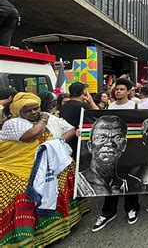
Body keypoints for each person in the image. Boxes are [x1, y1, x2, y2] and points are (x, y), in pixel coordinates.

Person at [0, 92, 89, 245]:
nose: (34, 112)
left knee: (64, 175)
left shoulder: (47, 117)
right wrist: (44, 118)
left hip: (45, 163)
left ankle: (59, 226)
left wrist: (58, 142)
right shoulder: (14, 123)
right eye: (29, 110)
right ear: (18, 111)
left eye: (36, 108)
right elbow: (33, 134)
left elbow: (69, 129)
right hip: (17, 167)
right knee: (23, 193)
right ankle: (23, 237)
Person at [92, 77, 140, 231]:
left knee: (128, 180)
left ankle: (132, 208)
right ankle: (108, 212)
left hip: (130, 149)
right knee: (109, 181)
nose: (118, 91)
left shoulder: (135, 105)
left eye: (122, 89)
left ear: (128, 91)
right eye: (117, 89)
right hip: (111, 152)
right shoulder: (110, 106)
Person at [76, 116, 128, 197]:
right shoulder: (76, 183)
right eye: (102, 137)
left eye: (117, 137)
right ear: (90, 145)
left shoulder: (131, 184)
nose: (109, 143)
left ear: (124, 146)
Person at [60, 82, 99, 158]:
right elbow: (98, 115)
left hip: (66, 142)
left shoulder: (64, 106)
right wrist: (91, 101)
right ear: (84, 92)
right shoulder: (83, 107)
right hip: (79, 144)